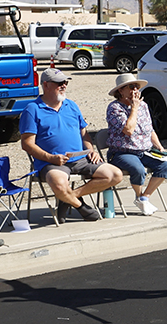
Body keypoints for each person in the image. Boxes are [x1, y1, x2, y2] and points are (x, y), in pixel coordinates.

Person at [20, 68, 121, 223]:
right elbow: (27, 144)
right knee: (60, 185)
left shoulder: (71, 105)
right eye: (59, 83)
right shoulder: (32, 109)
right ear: (45, 85)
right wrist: (51, 158)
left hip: (81, 158)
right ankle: (81, 207)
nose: (64, 85)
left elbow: (84, 134)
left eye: (65, 82)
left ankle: (69, 198)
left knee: (115, 175)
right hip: (52, 162)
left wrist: (91, 150)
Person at [105, 73, 167, 216]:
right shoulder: (115, 108)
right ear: (120, 91)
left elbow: (150, 129)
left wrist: (159, 146)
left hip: (144, 150)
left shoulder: (144, 106)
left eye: (137, 87)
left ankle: (143, 197)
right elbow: (128, 130)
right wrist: (134, 108)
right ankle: (139, 195)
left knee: (165, 165)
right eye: (131, 87)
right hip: (122, 152)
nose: (135, 90)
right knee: (138, 169)